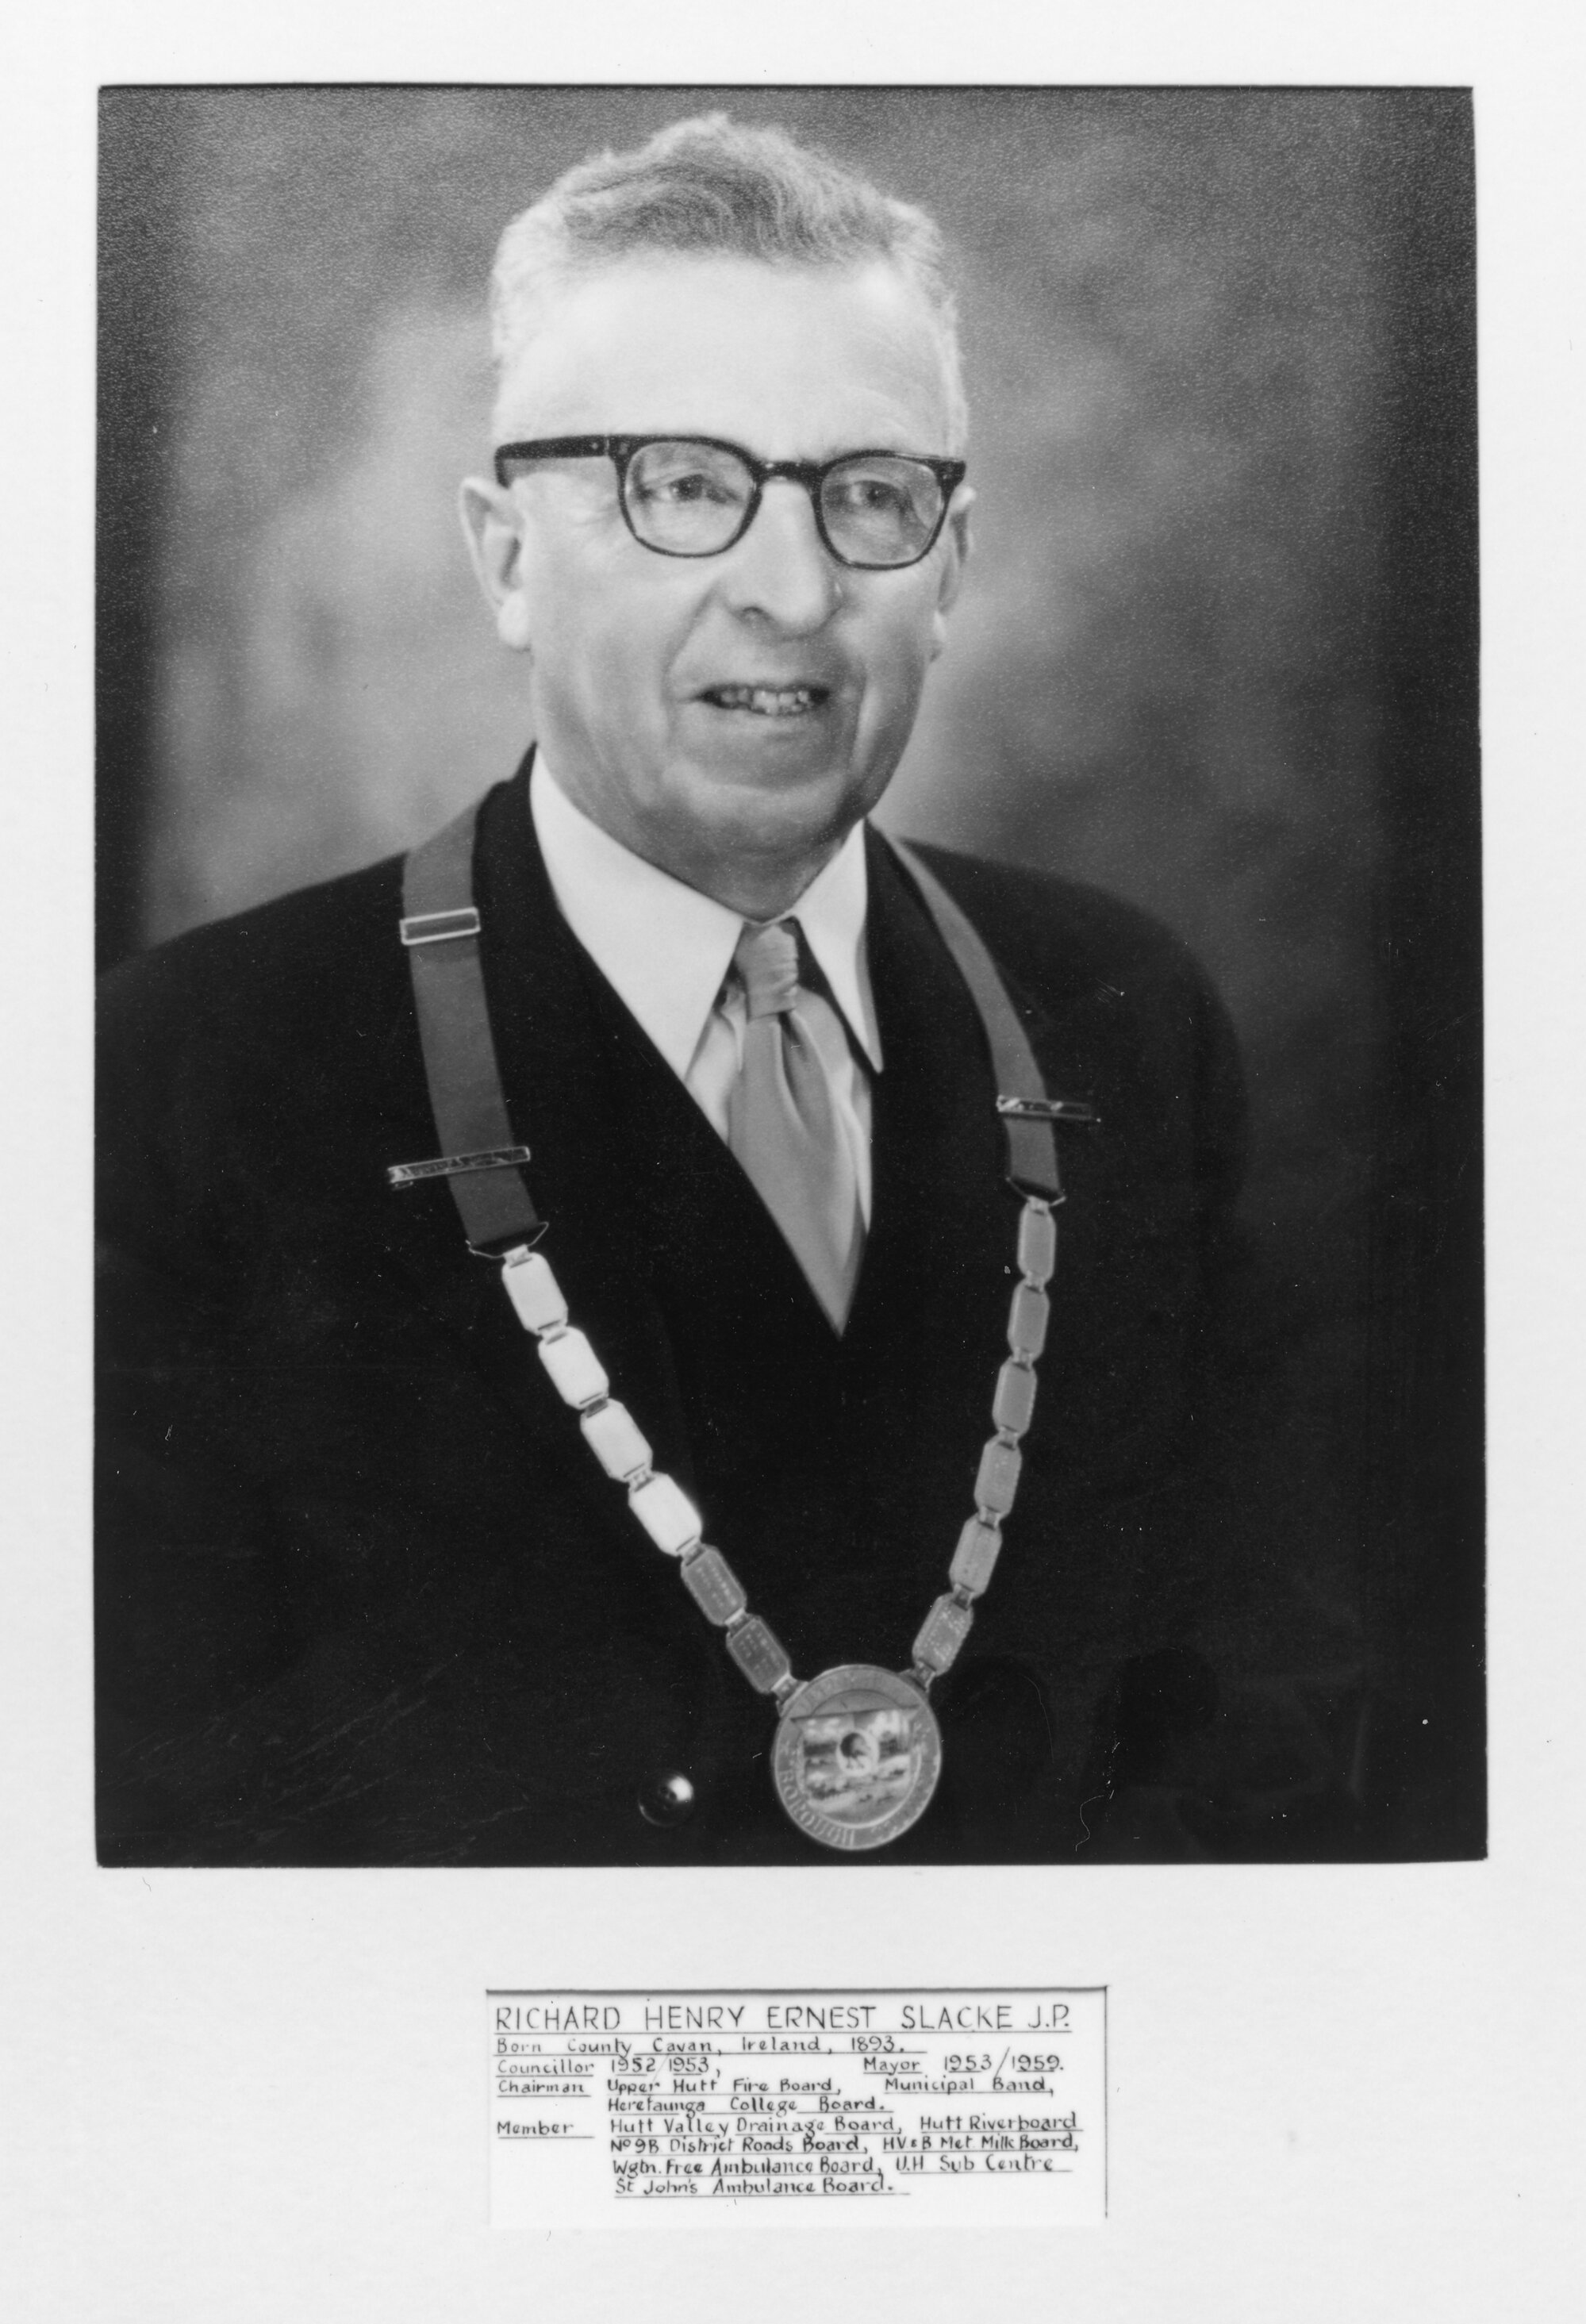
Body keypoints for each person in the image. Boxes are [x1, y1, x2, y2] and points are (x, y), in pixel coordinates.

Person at [97, 115, 1249, 1867]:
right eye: (682, 485)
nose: (789, 594)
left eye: (867, 495)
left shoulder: (1125, 1013)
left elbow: (1255, 1733)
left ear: (949, 566)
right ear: (502, 557)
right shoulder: (176, 1076)